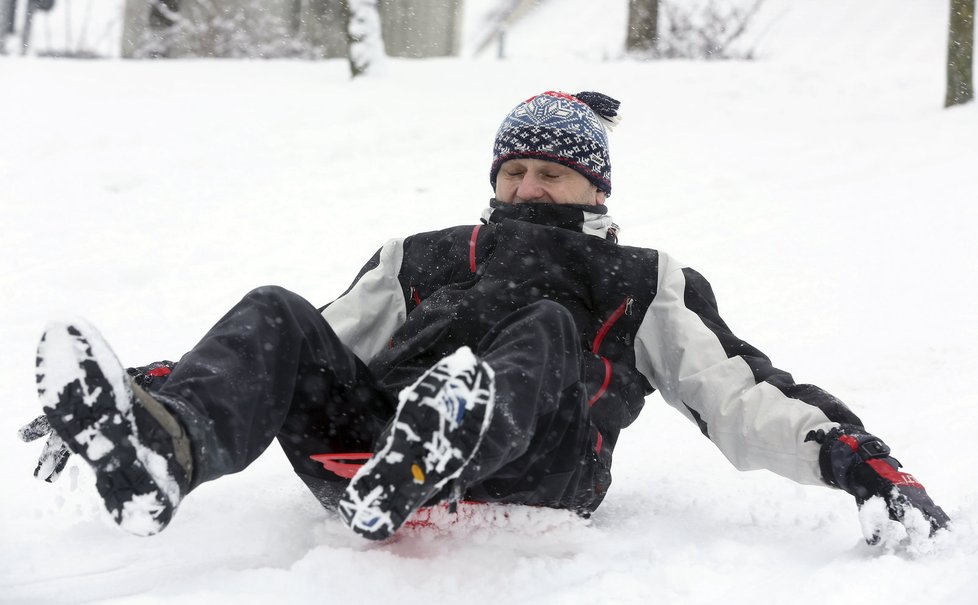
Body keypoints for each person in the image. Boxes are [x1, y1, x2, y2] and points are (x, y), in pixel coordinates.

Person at [22, 90, 950, 543]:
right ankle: (162, 450)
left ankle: (441, 453)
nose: (526, 185)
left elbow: (737, 394)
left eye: (549, 172)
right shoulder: (425, 254)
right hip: (375, 446)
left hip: (541, 462)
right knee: (276, 308)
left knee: (542, 322)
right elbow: (324, 334)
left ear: (594, 184)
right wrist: (169, 384)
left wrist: (853, 456)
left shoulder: (638, 275)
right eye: (512, 171)